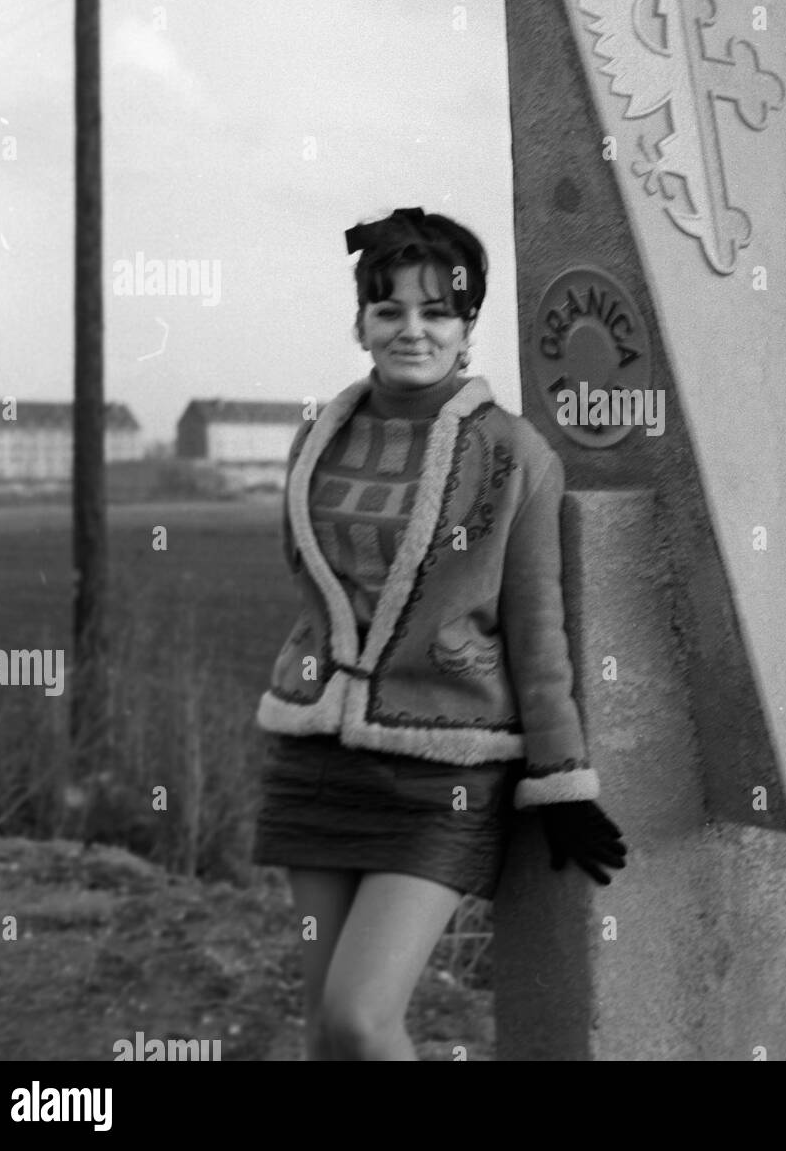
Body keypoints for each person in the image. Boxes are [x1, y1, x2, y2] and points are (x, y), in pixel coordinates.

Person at [251, 206, 626, 1061]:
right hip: (314, 757)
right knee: (323, 1033)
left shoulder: (513, 455)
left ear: (466, 327)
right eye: (389, 311)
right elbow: (312, 587)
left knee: (360, 1017)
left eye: (435, 312)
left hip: (442, 769)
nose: (411, 330)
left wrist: (561, 777)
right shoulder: (318, 437)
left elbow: (537, 630)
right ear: (361, 323)